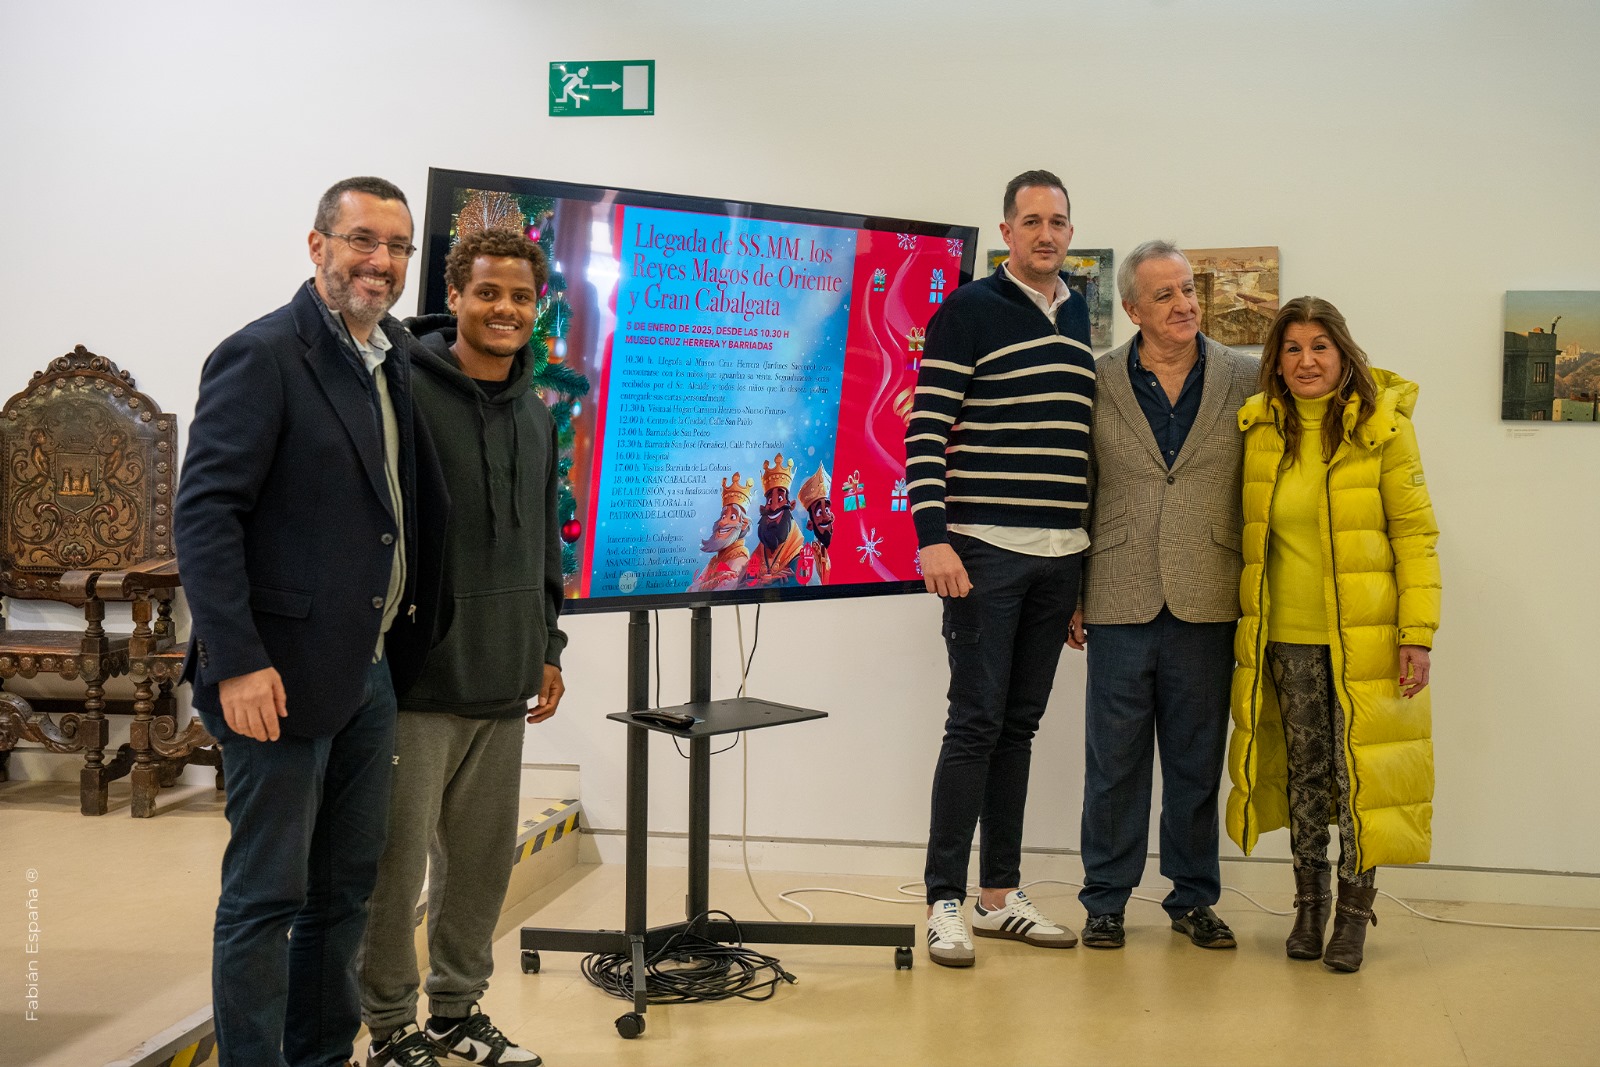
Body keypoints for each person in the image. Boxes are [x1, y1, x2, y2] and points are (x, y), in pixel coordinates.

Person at [175, 176, 447, 1067]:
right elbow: (205, 514)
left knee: (345, 892)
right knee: (267, 896)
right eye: (363, 239)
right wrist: (235, 660)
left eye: (397, 246)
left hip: (366, 670)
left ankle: (321, 1055)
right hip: (275, 675)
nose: (381, 261)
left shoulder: (389, 356)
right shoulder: (261, 354)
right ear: (317, 244)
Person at [359, 228, 568, 1066]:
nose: (505, 309)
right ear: (455, 296)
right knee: (393, 868)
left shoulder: (537, 414)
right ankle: (387, 1025)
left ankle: (454, 1010)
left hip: (504, 676)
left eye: (520, 296)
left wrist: (548, 644)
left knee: (479, 867)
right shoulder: (404, 392)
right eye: (488, 292)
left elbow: (544, 542)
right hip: (417, 679)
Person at [905, 169, 1095, 967]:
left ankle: (998, 894)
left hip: (1060, 558)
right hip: (983, 551)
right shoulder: (968, 310)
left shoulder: (1079, 313)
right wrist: (933, 536)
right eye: (1032, 221)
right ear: (1007, 232)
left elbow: (1079, 447)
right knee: (975, 723)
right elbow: (925, 430)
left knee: (1018, 727)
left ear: (1070, 232)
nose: (1047, 234)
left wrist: (1081, 574)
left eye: (1058, 221)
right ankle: (943, 900)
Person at [1227, 296, 1440, 973]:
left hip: (1367, 642)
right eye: (1292, 348)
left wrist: (1417, 633)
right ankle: (1309, 907)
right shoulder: (1261, 429)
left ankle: (1353, 915)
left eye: (1320, 346)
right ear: (1275, 361)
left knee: (1360, 782)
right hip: (1286, 640)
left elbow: (1415, 535)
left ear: (1344, 354)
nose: (1307, 360)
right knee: (1306, 777)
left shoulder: (1383, 429)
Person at [1071, 240, 1257, 951]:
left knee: (1196, 761)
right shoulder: (1098, 379)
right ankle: (1106, 900)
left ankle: (1192, 898)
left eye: (1187, 289)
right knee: (1112, 763)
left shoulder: (1245, 378)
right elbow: (1080, 489)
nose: (1183, 304)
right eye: (1164, 295)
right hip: (1117, 594)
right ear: (1131, 309)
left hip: (1209, 594)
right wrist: (1072, 595)